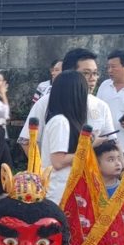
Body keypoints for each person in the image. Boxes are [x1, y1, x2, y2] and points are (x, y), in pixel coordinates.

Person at [19, 48, 115, 150]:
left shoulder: (101, 106)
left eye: (95, 73)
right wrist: (41, 165)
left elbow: (111, 140)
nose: (93, 78)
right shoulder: (45, 103)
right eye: (86, 73)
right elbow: (26, 141)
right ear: (69, 74)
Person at [40, 70, 89, 204]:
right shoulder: (60, 122)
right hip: (57, 195)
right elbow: (58, 161)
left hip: (63, 192)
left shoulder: (62, 121)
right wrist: (88, 150)